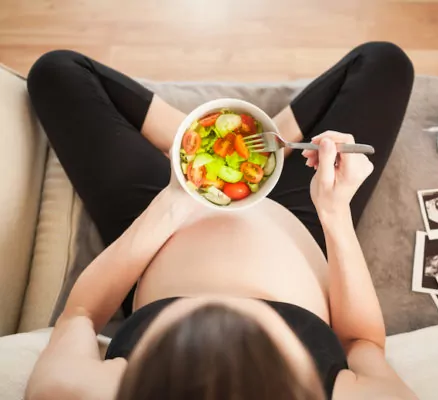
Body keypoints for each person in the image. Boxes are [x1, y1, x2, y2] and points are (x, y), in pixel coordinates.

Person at [24, 42, 417, 400]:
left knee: (57, 73)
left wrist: (173, 204)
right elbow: (362, 343)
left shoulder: (78, 392)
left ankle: (200, 140)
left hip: (163, 225)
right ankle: (265, 143)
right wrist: (335, 213)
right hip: (306, 215)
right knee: (384, 63)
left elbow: (80, 316)